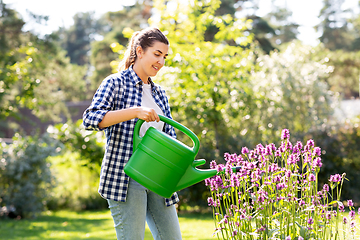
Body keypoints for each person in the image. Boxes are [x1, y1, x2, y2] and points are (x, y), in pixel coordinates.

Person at [83, 27, 182, 240]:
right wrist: (135, 112)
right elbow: (90, 119)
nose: (161, 62)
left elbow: (170, 136)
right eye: (157, 54)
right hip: (126, 178)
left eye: (164, 56)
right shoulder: (115, 83)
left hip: (158, 177)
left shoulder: (160, 94)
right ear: (139, 51)